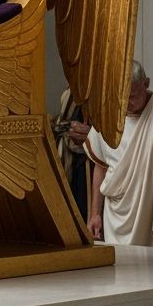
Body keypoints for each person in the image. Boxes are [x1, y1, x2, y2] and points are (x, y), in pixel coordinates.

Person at [85, 61, 153, 248]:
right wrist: (95, 213)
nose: (126, 104)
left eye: (132, 97)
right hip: (116, 217)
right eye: (120, 98)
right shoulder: (106, 118)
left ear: (146, 83)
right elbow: (101, 166)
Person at [53, 88, 91, 219]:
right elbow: (62, 124)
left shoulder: (101, 89)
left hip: (91, 163)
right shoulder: (72, 90)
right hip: (70, 159)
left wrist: (92, 136)